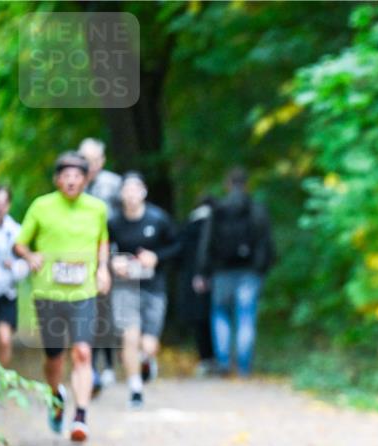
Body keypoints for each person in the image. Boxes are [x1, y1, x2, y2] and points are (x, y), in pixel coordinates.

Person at [13, 152, 111, 442]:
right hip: (49, 293)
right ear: (57, 180)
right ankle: (56, 395)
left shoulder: (96, 208)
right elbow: (20, 243)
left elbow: (102, 241)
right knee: (54, 358)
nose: (71, 181)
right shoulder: (41, 206)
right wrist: (30, 256)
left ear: (85, 180)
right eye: (65, 176)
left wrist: (103, 268)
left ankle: (80, 417)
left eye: (77, 176)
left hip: (84, 293)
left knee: (82, 352)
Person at [108, 172, 180, 408]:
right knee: (129, 336)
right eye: (126, 190)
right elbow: (103, 249)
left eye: (135, 190)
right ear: (121, 194)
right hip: (125, 287)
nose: (131, 195)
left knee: (148, 345)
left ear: (143, 192)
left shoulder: (158, 219)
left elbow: (177, 246)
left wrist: (156, 257)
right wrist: (113, 261)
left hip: (153, 287)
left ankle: (146, 360)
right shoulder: (114, 223)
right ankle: (135, 388)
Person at [193, 168, 274, 377]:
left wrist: (202, 271)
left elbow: (206, 243)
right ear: (247, 185)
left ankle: (223, 362)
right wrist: (262, 268)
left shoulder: (218, 210)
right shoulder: (257, 210)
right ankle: (244, 367)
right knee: (246, 316)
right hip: (250, 272)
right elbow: (266, 243)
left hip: (222, 272)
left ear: (227, 184)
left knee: (220, 314)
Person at [79, 138, 122, 393]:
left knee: (107, 311)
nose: (90, 165)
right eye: (86, 159)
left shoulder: (114, 184)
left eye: (94, 159)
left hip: (110, 255)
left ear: (102, 161)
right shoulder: (73, 183)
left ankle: (108, 364)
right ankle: (90, 366)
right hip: (81, 257)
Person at [0, 186, 29, 368]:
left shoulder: (15, 231)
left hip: (6, 293)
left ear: (9, 205)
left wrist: (12, 266)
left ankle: (0, 377)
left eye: (3, 204)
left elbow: (25, 267)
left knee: (4, 339)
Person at [178, 197, 215, 375]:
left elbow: (180, 252)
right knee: (217, 317)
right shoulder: (217, 222)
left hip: (192, 278)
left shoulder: (190, 224)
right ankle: (221, 357)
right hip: (216, 277)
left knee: (200, 319)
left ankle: (205, 358)